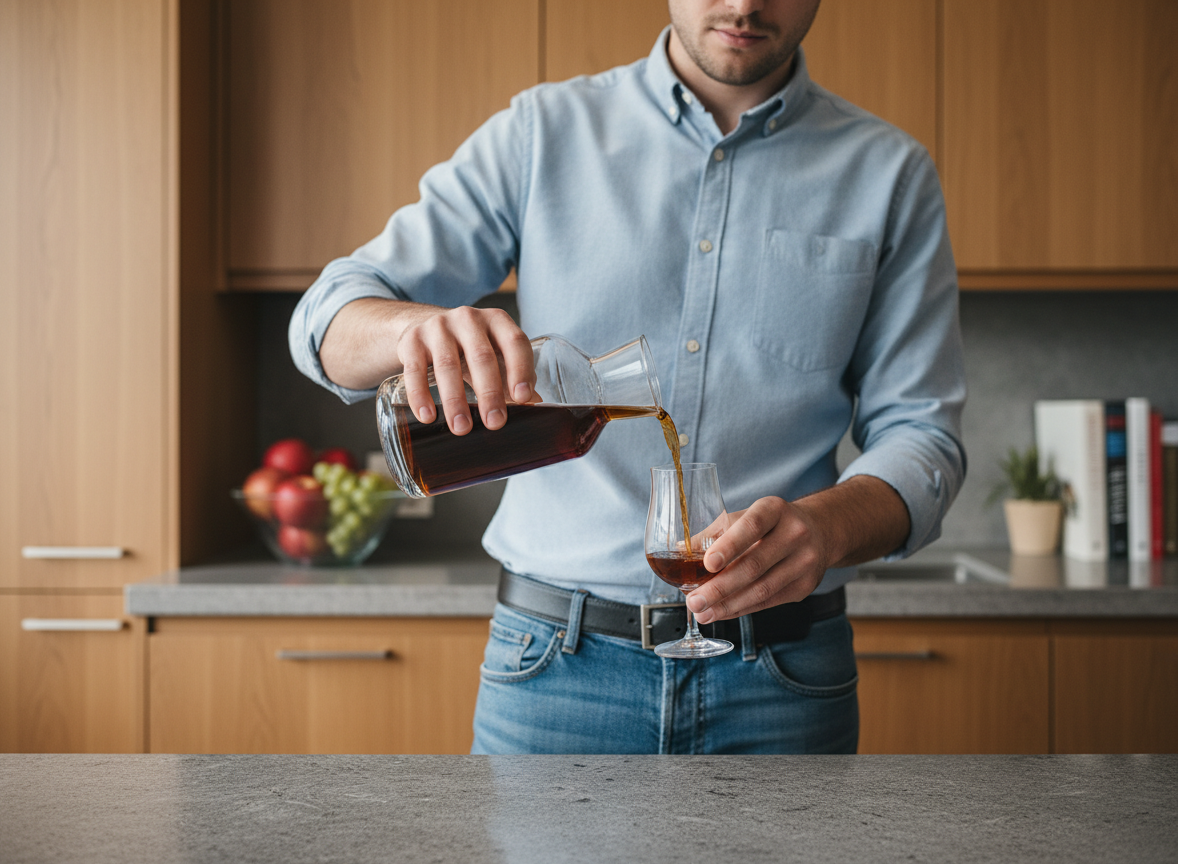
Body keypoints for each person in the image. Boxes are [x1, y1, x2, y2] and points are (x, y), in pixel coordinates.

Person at [290, 0, 966, 754]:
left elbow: (925, 436)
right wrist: (411, 328)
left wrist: (828, 528)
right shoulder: (541, 133)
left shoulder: (889, 173)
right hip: (555, 673)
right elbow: (324, 318)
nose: (744, 3)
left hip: (783, 676)